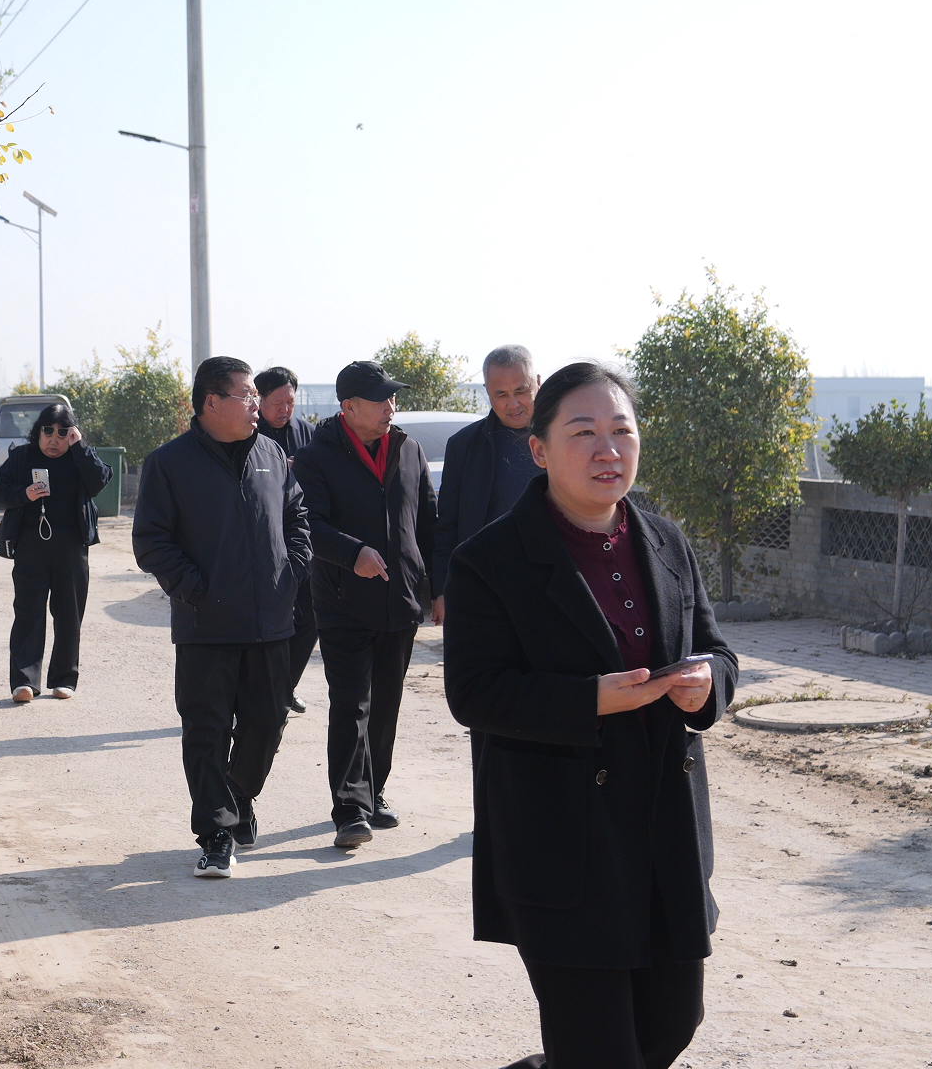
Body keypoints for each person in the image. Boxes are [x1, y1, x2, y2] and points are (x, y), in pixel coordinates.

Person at [441, 361, 737, 1069]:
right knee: (599, 1049)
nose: (608, 450)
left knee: (672, 1023)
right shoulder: (490, 560)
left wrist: (708, 684)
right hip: (561, 840)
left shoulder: (666, 541)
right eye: (583, 433)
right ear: (539, 450)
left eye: (621, 431)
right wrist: (590, 699)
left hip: (663, 830)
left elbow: (718, 651)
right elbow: (474, 692)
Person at [133, 356, 310, 878]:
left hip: (270, 622)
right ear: (212, 402)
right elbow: (152, 541)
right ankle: (215, 832)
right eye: (247, 395)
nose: (257, 404)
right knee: (206, 731)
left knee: (266, 722)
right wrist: (196, 590)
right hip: (205, 626)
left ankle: (238, 796)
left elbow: (297, 517)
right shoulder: (170, 463)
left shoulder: (271, 455)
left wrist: (291, 572)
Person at [291, 361, 438, 849]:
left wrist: (438, 588)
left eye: (393, 398)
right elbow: (307, 523)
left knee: (386, 705)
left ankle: (374, 793)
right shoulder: (316, 458)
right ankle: (350, 809)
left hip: (401, 600)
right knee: (352, 703)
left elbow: (429, 522)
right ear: (348, 407)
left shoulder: (408, 449)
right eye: (380, 400)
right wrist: (353, 554)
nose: (390, 407)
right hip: (343, 602)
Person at [0, 403, 112, 703]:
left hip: (72, 549)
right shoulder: (22, 457)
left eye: (62, 433)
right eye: (48, 431)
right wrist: (24, 494)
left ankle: (63, 679)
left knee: (69, 615)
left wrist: (80, 446)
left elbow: (99, 482)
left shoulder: (80, 457)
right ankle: (24, 682)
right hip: (30, 547)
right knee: (28, 613)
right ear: (38, 432)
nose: (54, 439)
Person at [433, 345, 542, 625]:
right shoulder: (464, 446)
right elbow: (447, 524)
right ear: (487, 392)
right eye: (501, 395)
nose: (513, 404)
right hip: (486, 587)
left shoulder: (568, 438)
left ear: (538, 383)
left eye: (521, 391)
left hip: (555, 585)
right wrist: (442, 589)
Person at [254, 366, 317, 714]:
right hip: (261, 540)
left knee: (310, 616)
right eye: (277, 403)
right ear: (259, 400)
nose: (285, 410)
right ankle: (260, 693)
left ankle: (284, 687)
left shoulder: (307, 432)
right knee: (268, 621)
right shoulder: (246, 433)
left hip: (299, 536)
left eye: (290, 402)